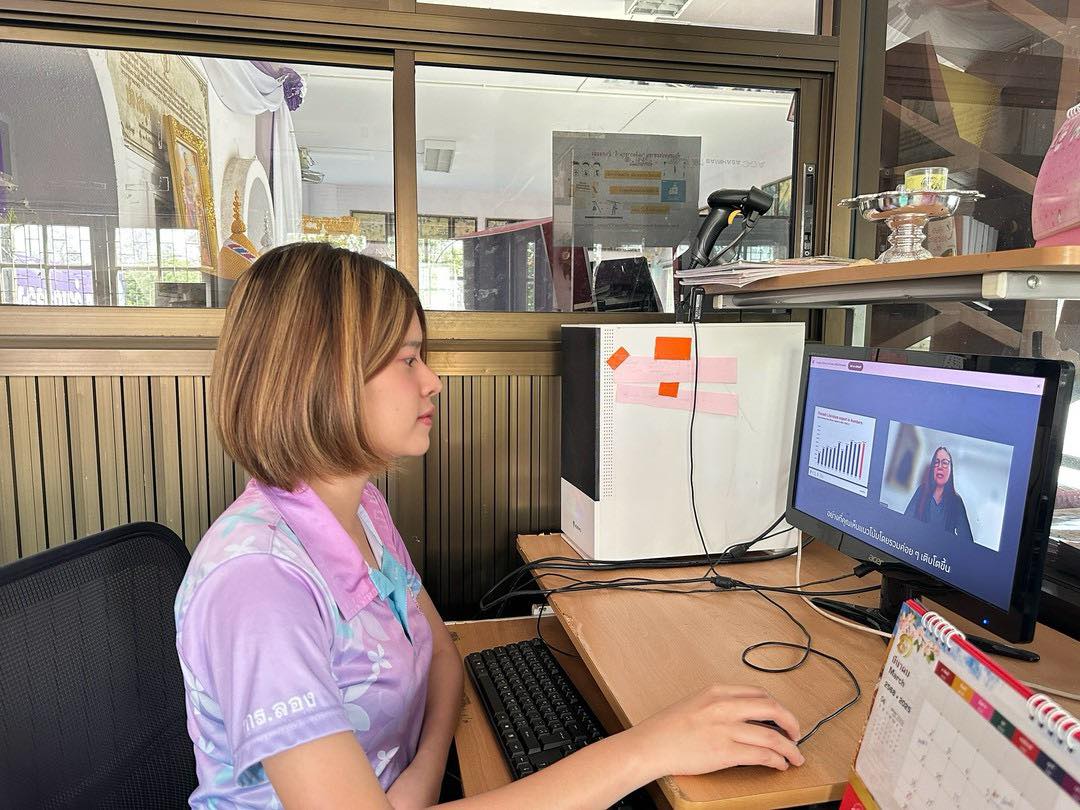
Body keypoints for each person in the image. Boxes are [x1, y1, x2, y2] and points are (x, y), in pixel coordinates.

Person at [174, 241, 804, 809]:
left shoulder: (362, 510)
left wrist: (420, 779)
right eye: (408, 360)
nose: (432, 382)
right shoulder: (259, 584)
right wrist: (648, 748)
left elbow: (443, 658)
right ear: (322, 377)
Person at [903, 446, 974, 541]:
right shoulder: (922, 491)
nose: (940, 467)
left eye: (945, 463)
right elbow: (906, 522)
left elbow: (967, 541)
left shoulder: (956, 501)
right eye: (936, 462)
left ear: (951, 469)